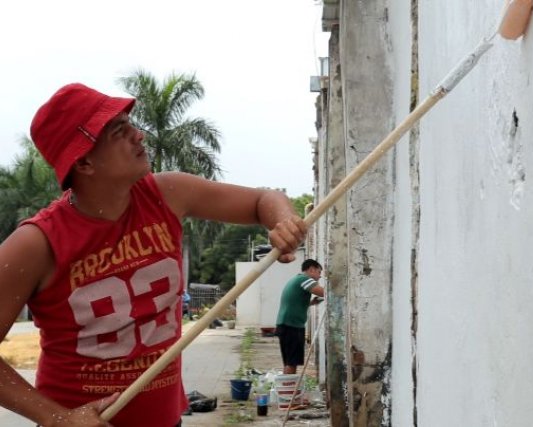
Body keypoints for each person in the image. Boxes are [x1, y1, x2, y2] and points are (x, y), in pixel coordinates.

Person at [0, 83, 307, 427]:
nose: (139, 135)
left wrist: (282, 221)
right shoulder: (36, 242)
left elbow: (262, 199)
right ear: (84, 161)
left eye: (131, 123)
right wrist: (58, 418)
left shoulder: (168, 193)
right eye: (120, 131)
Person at [275, 259, 325, 375]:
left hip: (286, 324)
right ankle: (289, 390)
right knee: (292, 362)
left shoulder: (296, 280)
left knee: (289, 362)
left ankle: (287, 388)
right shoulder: (304, 279)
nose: (319, 277)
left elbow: (294, 301)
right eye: (318, 272)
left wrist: (311, 302)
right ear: (311, 269)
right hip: (292, 325)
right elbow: (323, 292)